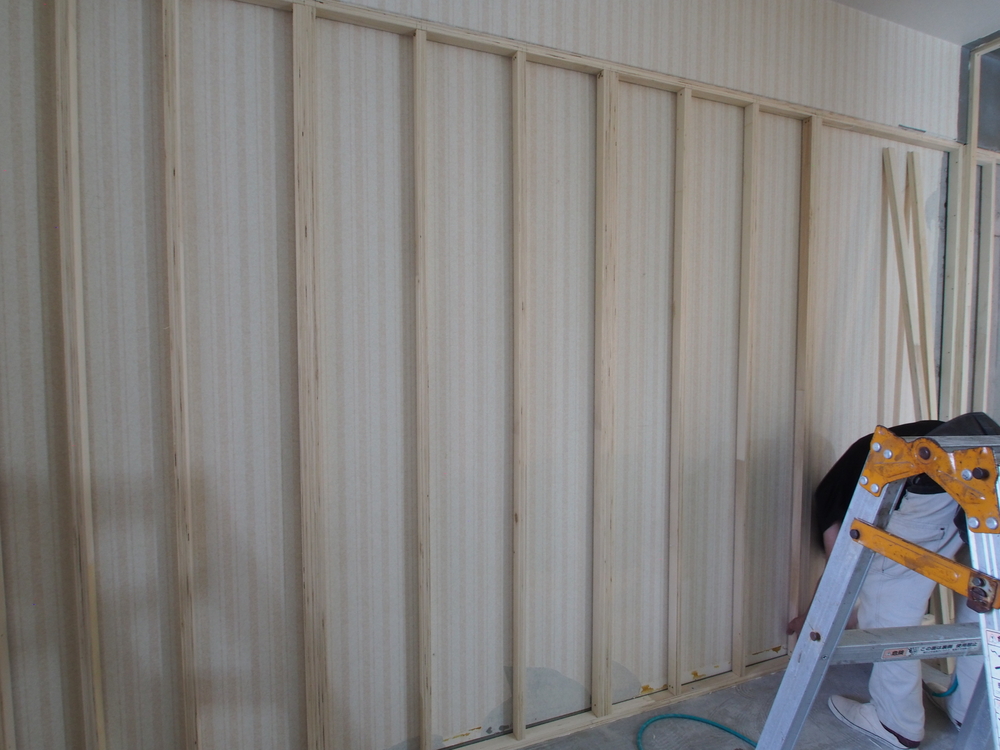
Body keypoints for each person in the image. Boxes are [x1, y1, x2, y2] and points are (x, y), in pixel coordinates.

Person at [807, 413, 1000, 749]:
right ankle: (968, 710)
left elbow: (839, 569)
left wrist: (816, 620)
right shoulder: (868, 457)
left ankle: (895, 724)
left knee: (887, 592)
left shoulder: (829, 496)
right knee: (981, 596)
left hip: (938, 479)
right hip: (988, 469)